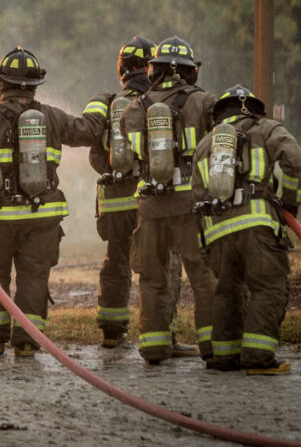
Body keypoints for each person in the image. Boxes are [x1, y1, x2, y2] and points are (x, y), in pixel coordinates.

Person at [0, 47, 106, 357]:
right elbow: (90, 131)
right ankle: (28, 341)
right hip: (41, 216)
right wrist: (102, 103)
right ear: (35, 86)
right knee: (33, 278)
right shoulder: (53, 117)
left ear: (1, 84)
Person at [192, 85, 301, 375]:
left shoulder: (206, 144)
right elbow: (295, 161)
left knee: (227, 291)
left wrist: (205, 244)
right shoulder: (267, 128)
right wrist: (290, 205)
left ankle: (225, 357)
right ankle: (258, 358)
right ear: (253, 109)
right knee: (268, 286)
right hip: (258, 224)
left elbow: (196, 198)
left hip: (217, 231)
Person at [120, 36, 217, 366]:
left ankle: (155, 347)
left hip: (151, 206)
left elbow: (134, 152)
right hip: (190, 203)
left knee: (153, 278)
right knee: (204, 276)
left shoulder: (136, 108)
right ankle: (214, 346)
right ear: (190, 72)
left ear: (154, 70)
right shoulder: (204, 102)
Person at [84, 37, 154, 349]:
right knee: (157, 266)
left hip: (114, 201)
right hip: (150, 199)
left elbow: (96, 156)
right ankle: (160, 334)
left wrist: (112, 173)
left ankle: (111, 331)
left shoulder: (109, 104)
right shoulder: (158, 103)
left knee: (116, 263)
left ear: (122, 69)